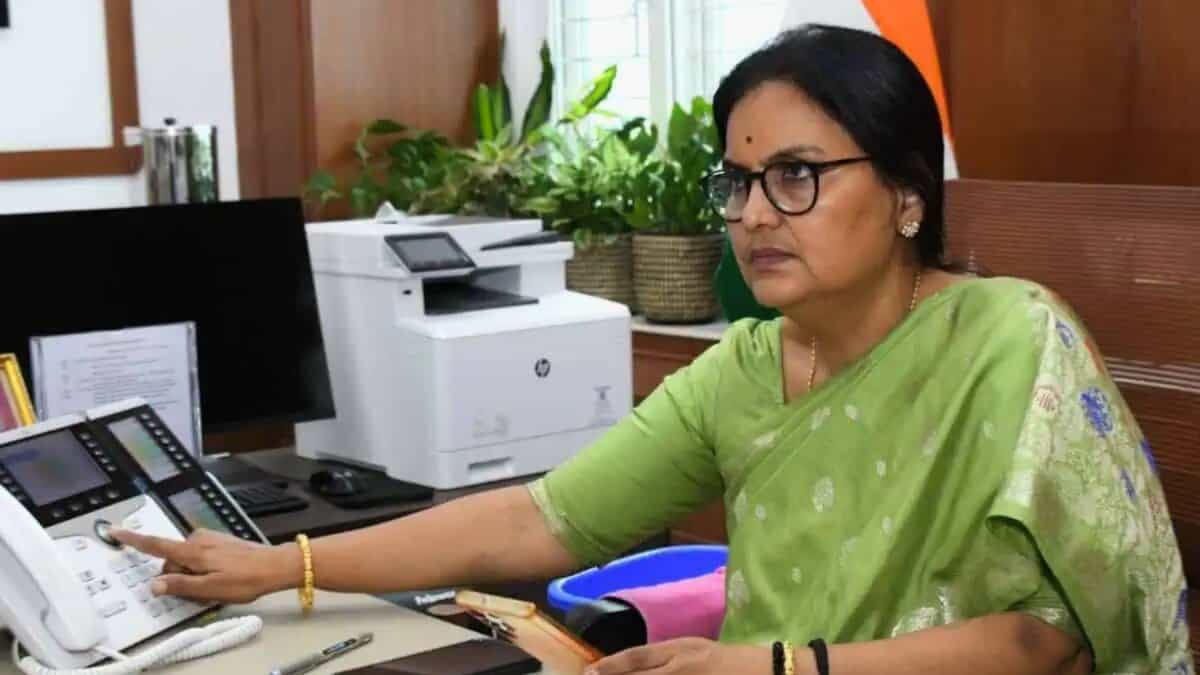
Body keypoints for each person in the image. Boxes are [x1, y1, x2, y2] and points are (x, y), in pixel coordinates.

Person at [112, 24, 1192, 675]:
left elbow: (1047, 641)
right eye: (738, 181)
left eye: (797, 177)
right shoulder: (742, 370)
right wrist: (285, 566)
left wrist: (781, 666)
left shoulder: (1010, 340)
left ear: (908, 195)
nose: (754, 214)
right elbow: (540, 519)